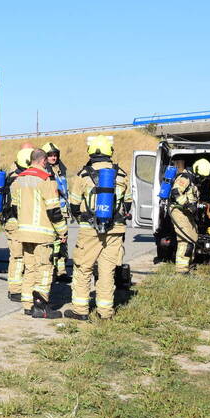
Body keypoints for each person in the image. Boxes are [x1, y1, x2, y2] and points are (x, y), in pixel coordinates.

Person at [63, 135, 131, 321]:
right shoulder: (122, 175)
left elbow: (74, 204)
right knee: (107, 270)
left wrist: (82, 218)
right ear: (110, 152)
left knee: (83, 268)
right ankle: (105, 312)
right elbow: (128, 203)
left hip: (90, 230)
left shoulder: (83, 175)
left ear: (90, 152)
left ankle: (80, 310)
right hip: (115, 229)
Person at [9, 149, 66, 318]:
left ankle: (28, 305)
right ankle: (41, 306)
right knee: (45, 269)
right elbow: (54, 210)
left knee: (30, 269)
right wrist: (62, 231)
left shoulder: (19, 180)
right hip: (42, 234)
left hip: (24, 233)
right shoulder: (45, 179)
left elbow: (14, 208)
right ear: (43, 161)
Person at [1, 143, 35, 300]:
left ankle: (21, 287)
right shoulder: (18, 181)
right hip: (15, 223)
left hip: (16, 222)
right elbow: (18, 207)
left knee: (22, 256)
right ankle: (14, 289)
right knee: (17, 257)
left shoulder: (16, 176)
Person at [168, 159, 210, 274]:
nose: (202, 179)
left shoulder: (193, 181)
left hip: (186, 213)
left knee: (193, 237)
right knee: (185, 239)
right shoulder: (185, 178)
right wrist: (187, 205)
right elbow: (175, 192)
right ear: (196, 171)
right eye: (201, 177)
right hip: (178, 211)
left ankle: (189, 264)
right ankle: (181, 270)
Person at [41, 141, 71, 282]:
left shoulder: (60, 170)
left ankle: (61, 271)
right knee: (53, 243)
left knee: (62, 242)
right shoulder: (44, 172)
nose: (53, 158)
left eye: (55, 155)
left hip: (62, 212)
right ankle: (51, 271)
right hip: (51, 212)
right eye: (50, 155)